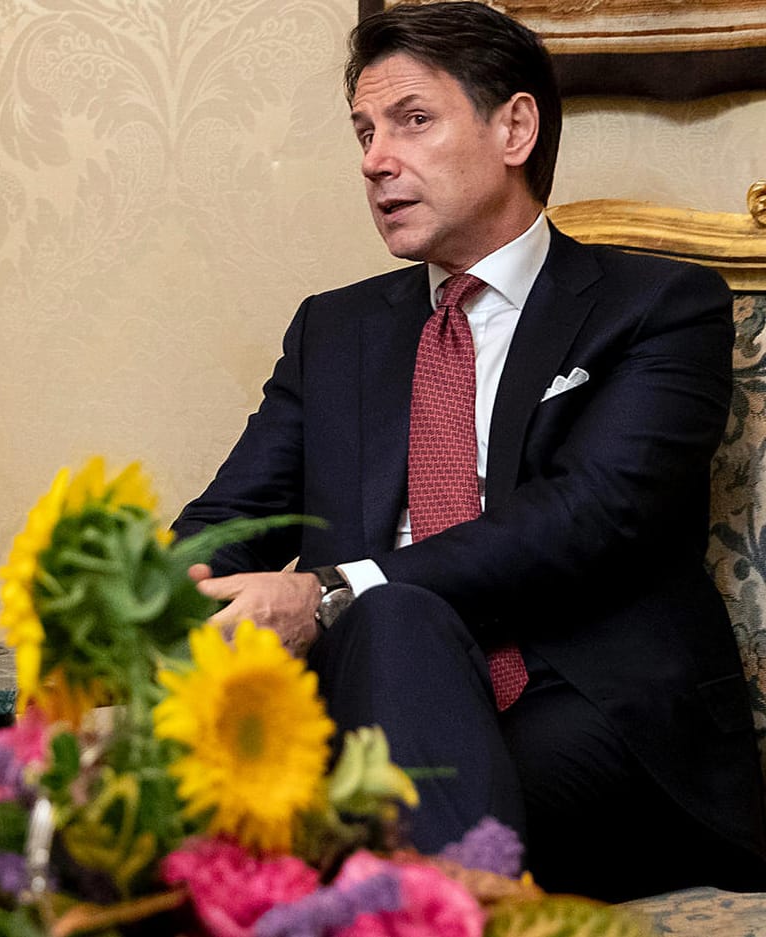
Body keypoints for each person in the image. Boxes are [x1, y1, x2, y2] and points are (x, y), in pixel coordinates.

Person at [173, 0, 766, 902]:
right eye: (365, 131)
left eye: (413, 120)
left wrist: (336, 589)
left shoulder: (658, 305)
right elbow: (233, 519)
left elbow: (590, 513)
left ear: (515, 128)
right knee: (107, 788)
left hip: (589, 709)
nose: (376, 159)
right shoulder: (336, 331)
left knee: (379, 634)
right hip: (363, 703)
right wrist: (154, 590)